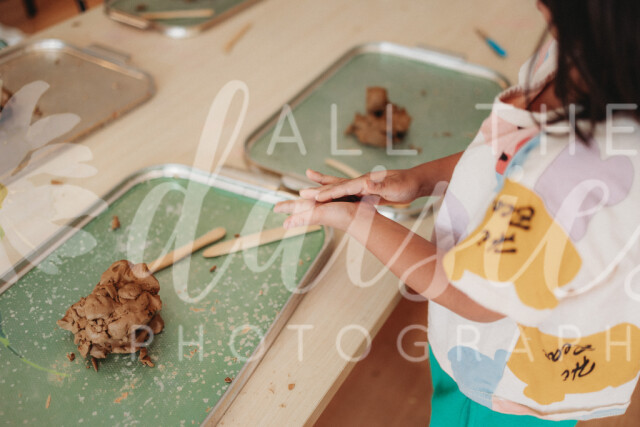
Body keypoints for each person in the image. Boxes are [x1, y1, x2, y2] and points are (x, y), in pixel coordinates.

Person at [275, 0, 640, 425]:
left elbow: (472, 296)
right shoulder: (583, 53)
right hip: (481, 343)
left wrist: (357, 220)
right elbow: (503, 157)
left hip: (509, 381)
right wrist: (419, 179)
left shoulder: (572, 171)